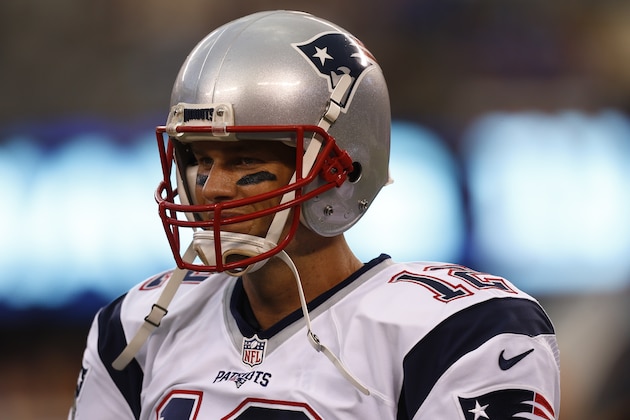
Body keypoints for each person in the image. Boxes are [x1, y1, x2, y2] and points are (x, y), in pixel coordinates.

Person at [69, 10, 560, 419]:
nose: (211, 187)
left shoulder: (458, 333)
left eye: (245, 161)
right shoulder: (138, 325)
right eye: (198, 159)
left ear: (340, 171)